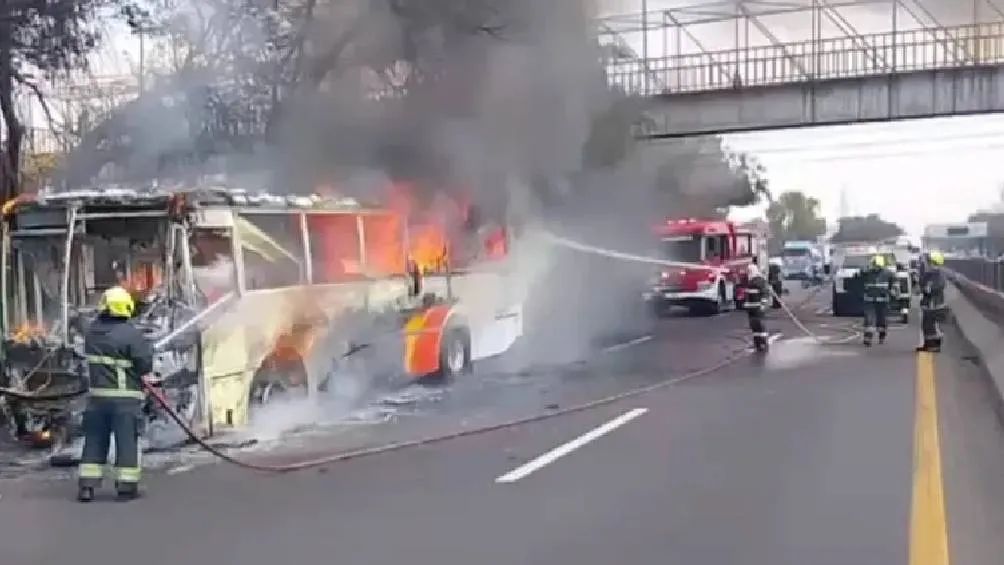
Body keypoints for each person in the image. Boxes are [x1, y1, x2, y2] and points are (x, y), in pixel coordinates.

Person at [77, 286, 155, 502]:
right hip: (125, 400)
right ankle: (126, 487)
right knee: (126, 442)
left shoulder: (92, 332)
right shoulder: (130, 333)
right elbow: (144, 364)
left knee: (94, 440)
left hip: (96, 399)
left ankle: (87, 486)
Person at [861, 254, 898, 346]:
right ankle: (868, 338)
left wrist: (894, 293)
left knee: (882, 320)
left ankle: (881, 335)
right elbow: (859, 280)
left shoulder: (888, 273)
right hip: (870, 300)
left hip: (883, 300)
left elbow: (895, 285)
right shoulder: (867, 272)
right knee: (869, 319)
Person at [917, 250, 947, 352]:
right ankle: (928, 344)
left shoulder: (939, 275)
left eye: (928, 261)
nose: (926, 263)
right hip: (928, 304)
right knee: (926, 325)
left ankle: (934, 346)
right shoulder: (928, 274)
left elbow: (936, 288)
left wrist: (927, 288)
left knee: (933, 326)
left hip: (935, 305)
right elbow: (921, 285)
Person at [742, 257, 772, 352]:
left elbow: (764, 293)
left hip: (758, 308)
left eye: (749, 272)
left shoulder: (759, 281)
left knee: (760, 326)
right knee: (754, 326)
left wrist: (763, 305)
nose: (748, 274)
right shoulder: (750, 282)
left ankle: (762, 343)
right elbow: (748, 296)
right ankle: (757, 343)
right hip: (751, 309)